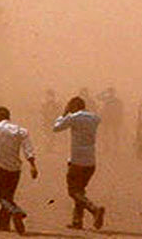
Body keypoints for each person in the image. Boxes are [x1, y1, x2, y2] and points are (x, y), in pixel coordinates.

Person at [0, 106, 38, 234]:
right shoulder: (21, 131)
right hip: (16, 169)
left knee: (2, 198)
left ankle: (16, 212)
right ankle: (3, 225)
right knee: (9, 196)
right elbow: (29, 150)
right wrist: (33, 166)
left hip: (0, 167)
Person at [53, 95, 106, 230]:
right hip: (91, 161)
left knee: (73, 191)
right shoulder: (94, 118)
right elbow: (98, 118)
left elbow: (56, 128)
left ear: (73, 107)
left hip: (77, 160)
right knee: (80, 191)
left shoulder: (73, 118)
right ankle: (77, 221)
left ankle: (94, 209)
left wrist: (64, 114)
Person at [98, 88, 124, 155]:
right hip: (110, 119)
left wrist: (104, 92)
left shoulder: (108, 100)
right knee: (111, 134)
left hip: (111, 119)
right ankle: (110, 148)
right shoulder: (115, 101)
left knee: (112, 134)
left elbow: (120, 111)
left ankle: (112, 148)